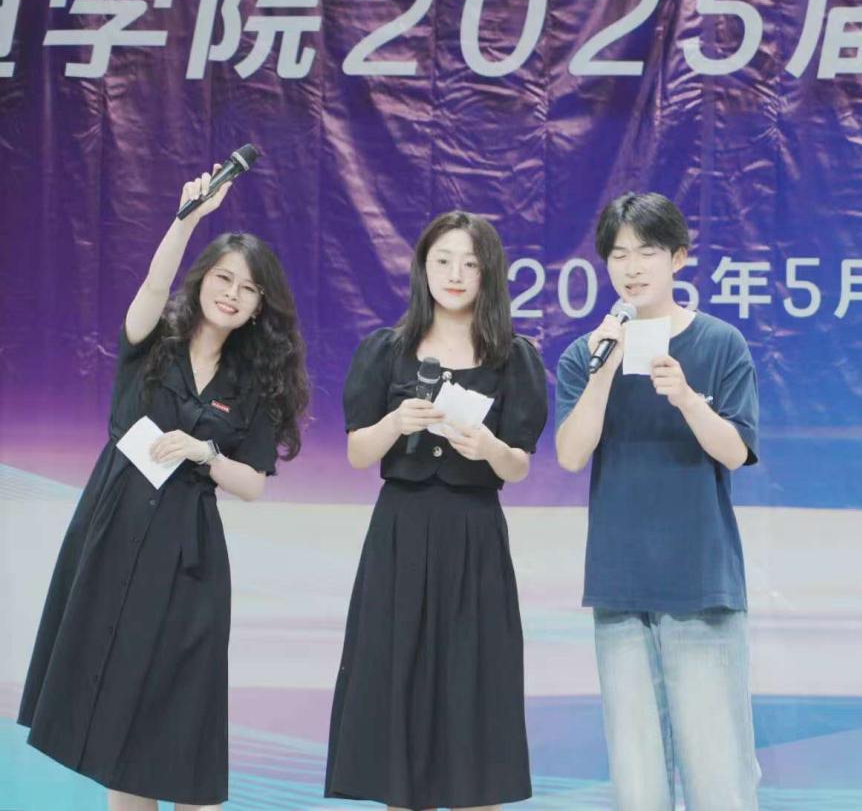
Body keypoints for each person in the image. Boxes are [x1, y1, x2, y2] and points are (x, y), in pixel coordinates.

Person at [18, 170, 310, 811]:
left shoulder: (254, 381)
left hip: (188, 550)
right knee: (121, 722)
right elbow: (154, 286)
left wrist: (206, 453)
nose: (232, 294)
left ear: (259, 307)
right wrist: (186, 219)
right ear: (202, 280)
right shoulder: (152, 341)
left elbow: (253, 484)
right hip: (114, 528)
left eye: (248, 288)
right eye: (223, 278)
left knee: (182, 722)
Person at [326, 210, 548, 811]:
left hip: (474, 535)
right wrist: (396, 423)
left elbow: (519, 464)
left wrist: (491, 448)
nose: (455, 275)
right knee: (399, 680)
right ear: (423, 268)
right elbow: (357, 452)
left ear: (489, 274)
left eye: (470, 264)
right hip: (400, 531)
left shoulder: (513, 357)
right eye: (443, 261)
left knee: (475, 687)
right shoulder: (387, 350)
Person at [554, 192, 761, 811]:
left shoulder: (720, 344)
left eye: (647, 252)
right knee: (637, 778)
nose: (632, 267)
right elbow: (570, 454)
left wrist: (688, 399)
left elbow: (735, 452)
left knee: (717, 772)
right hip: (619, 585)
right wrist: (603, 370)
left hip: (699, 582)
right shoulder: (586, 353)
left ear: (678, 258)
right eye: (619, 255)